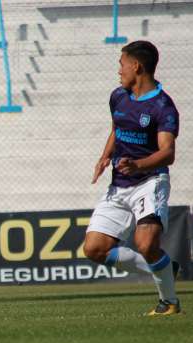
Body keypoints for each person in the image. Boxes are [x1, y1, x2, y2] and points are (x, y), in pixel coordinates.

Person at [84, 40, 180, 315]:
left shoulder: (163, 107)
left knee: (147, 244)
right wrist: (105, 157)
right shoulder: (118, 96)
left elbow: (168, 153)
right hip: (119, 185)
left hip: (150, 182)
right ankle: (164, 268)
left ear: (136, 66)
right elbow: (117, 128)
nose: (119, 70)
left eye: (121, 64)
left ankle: (169, 302)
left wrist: (138, 164)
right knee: (94, 249)